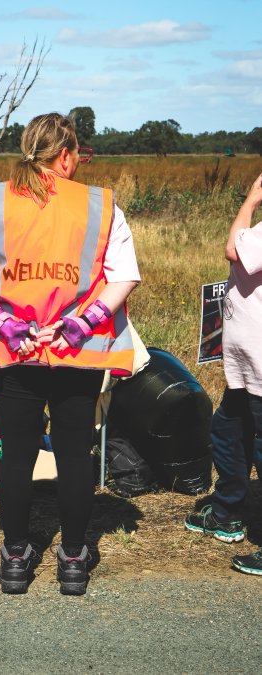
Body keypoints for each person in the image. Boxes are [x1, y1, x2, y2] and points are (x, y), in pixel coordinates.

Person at [0, 112, 141, 595]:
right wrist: (79, 324)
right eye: (78, 154)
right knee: (76, 455)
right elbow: (124, 277)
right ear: (65, 155)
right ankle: (74, 558)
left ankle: (15, 557)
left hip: (16, 350)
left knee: (16, 454)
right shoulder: (101, 205)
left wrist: (4, 323)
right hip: (78, 351)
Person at [185, 173, 262, 576]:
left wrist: (250, 201)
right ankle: (227, 511)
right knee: (229, 431)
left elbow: (234, 249)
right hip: (249, 368)